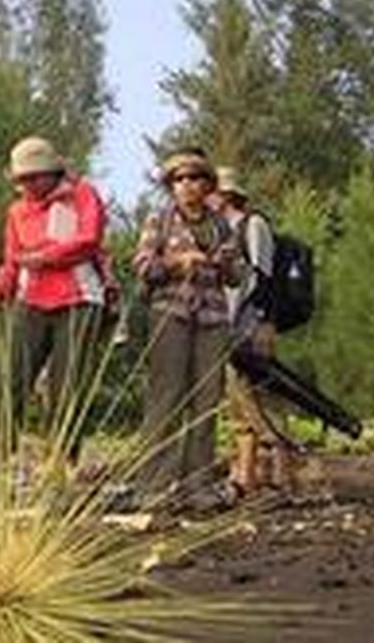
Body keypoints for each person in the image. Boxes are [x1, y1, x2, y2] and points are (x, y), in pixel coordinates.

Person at [0, 136, 109, 467]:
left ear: (52, 172)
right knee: (13, 378)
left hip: (79, 299)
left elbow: (88, 240)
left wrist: (44, 257)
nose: (28, 184)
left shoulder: (82, 195)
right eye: (22, 179)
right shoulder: (17, 211)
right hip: (32, 299)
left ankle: (62, 464)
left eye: (34, 176)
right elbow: (12, 260)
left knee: (66, 385)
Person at [133, 148, 242, 511]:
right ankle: (154, 487)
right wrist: (178, 262)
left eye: (194, 178)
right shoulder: (158, 220)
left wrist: (225, 263)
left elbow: (236, 275)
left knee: (206, 401)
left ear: (207, 184)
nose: (187, 185)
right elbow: (143, 267)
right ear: (171, 186)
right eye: (179, 179)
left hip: (212, 318)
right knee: (165, 399)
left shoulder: (221, 224)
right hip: (170, 314)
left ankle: (198, 486)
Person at [208, 167, 295, 495]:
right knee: (237, 397)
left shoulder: (253, 225)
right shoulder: (220, 231)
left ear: (226, 195)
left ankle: (282, 472)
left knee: (264, 394)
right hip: (231, 324)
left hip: (255, 322)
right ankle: (246, 475)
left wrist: (256, 321)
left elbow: (263, 278)